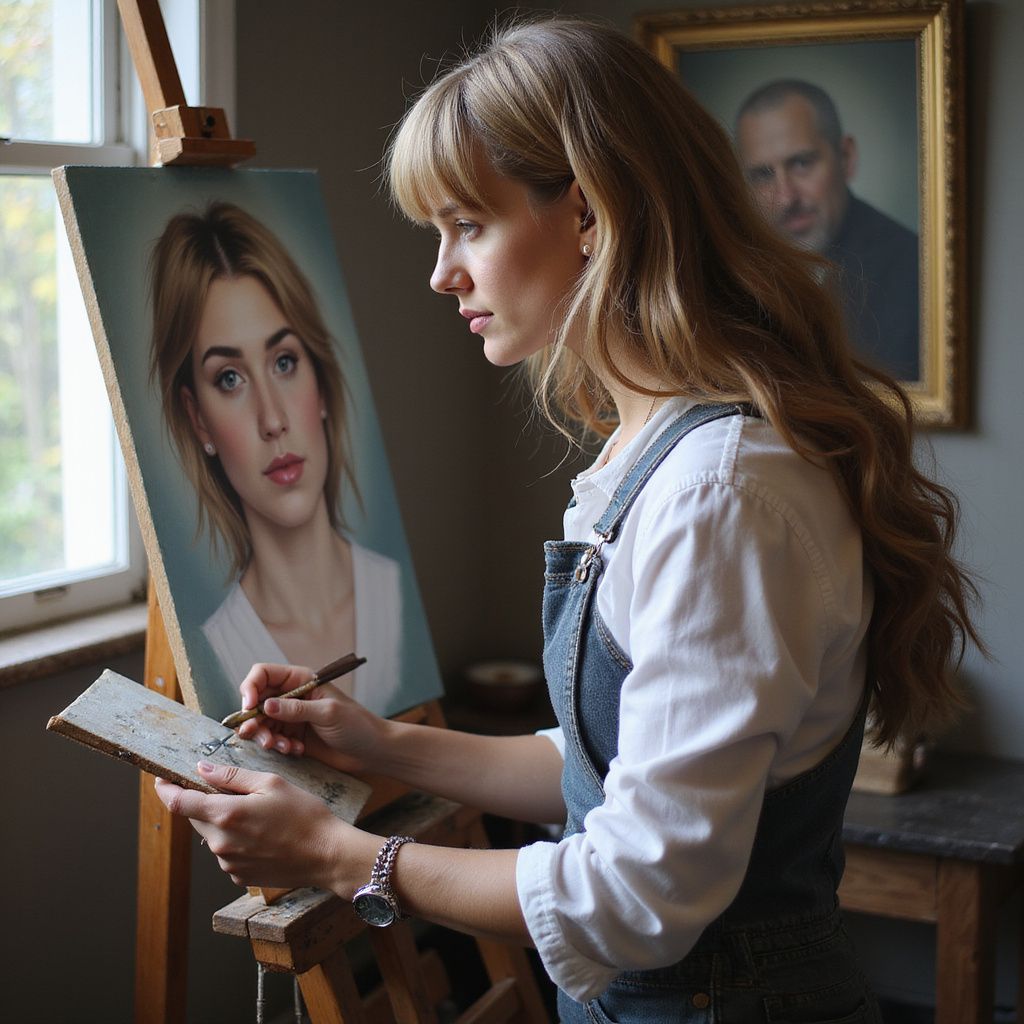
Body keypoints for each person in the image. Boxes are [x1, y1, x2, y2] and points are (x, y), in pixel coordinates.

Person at [155, 19, 982, 1022]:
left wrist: (340, 854)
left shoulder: (718, 496)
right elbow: (604, 767)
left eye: (467, 224)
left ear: (589, 211)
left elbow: (636, 893)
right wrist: (374, 744)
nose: (440, 272)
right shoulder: (660, 459)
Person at [149, 201, 401, 717]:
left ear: (321, 383)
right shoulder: (219, 651)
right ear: (199, 421)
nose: (272, 419)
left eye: (284, 361)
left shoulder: (394, 596)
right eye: (230, 378)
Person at [735, 79, 921, 381]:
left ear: (846, 158)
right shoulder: (738, 277)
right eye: (762, 175)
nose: (786, 197)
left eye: (802, 163)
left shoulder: (915, 270)